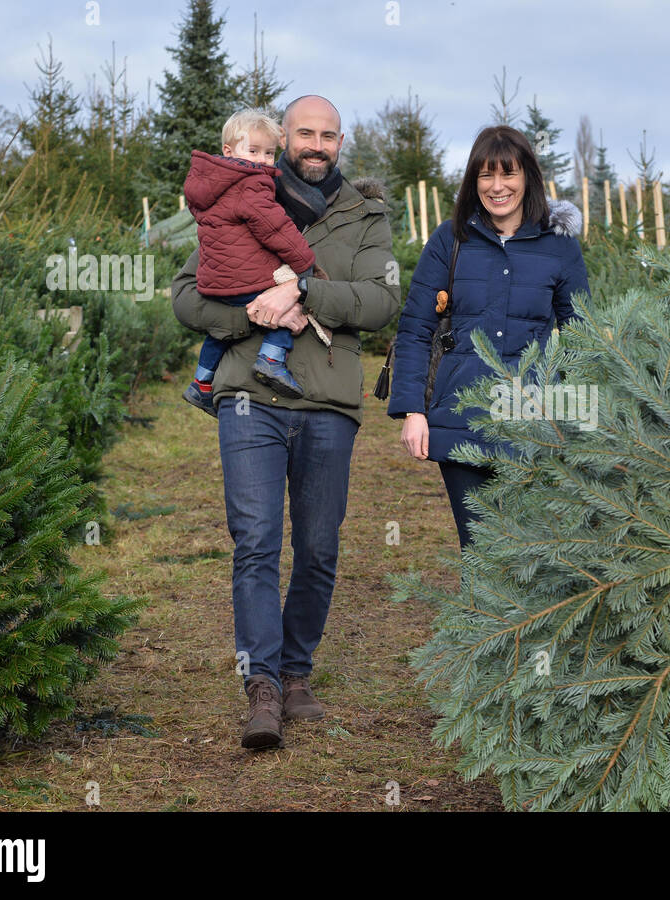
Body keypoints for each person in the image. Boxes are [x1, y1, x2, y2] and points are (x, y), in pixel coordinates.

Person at [172, 95, 400, 750]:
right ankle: (263, 685)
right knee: (256, 541)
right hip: (249, 398)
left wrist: (303, 291)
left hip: (328, 402)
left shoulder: (365, 214)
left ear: (341, 140)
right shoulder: (240, 192)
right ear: (283, 137)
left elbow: (382, 299)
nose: (316, 144)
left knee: (320, 547)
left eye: (329, 134)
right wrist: (254, 315)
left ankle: (298, 671)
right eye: (305, 132)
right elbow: (188, 298)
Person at [388, 125, 589, 549]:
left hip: (532, 420)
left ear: (528, 178)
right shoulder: (450, 240)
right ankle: (479, 617)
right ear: (473, 181)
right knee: (480, 546)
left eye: (508, 175)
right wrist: (412, 411)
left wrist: (577, 420)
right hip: (460, 416)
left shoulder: (559, 247)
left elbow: (581, 338)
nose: (497, 187)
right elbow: (415, 329)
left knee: (528, 549)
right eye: (486, 176)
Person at [182, 108, 317, 415]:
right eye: (253, 150)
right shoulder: (251, 183)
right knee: (284, 305)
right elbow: (274, 228)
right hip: (245, 279)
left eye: (269, 153)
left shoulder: (211, 187)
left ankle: (201, 383)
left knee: (218, 332)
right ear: (229, 151)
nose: (262, 160)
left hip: (215, 281)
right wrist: (303, 262)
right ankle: (271, 358)